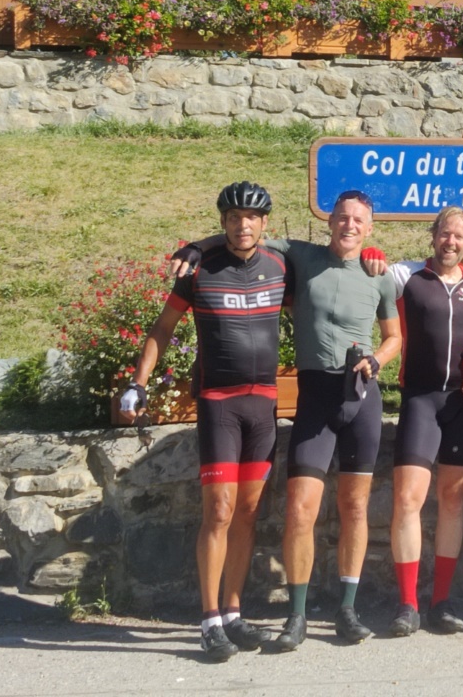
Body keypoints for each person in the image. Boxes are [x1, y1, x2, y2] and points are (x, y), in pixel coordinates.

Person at [172, 188, 402, 650]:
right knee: (300, 509)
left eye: (359, 220)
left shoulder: (381, 273)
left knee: (355, 507)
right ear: (329, 221)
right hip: (315, 395)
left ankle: (346, 610)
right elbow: (241, 237)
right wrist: (195, 246)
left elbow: (394, 336)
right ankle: (295, 617)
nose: (349, 225)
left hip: (361, 395)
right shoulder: (299, 254)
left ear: (370, 227)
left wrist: (377, 359)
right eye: (342, 217)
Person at [122, 181, 283, 663]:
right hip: (219, 404)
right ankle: (209, 620)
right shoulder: (198, 270)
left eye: (251, 217)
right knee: (218, 512)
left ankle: (234, 613)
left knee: (249, 514)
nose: (243, 224)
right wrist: (139, 382)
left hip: (265, 406)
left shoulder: (280, 266)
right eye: (233, 217)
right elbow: (164, 328)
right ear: (223, 222)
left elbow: (332, 266)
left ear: (265, 224)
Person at [383, 206, 463, 637]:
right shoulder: (405, 275)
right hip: (420, 399)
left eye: (459, 237)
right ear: (433, 235)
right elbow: (359, 267)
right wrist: (372, 255)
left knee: (452, 502)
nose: (451, 242)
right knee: (408, 500)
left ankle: (441, 602)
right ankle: (407, 604)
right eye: (444, 233)